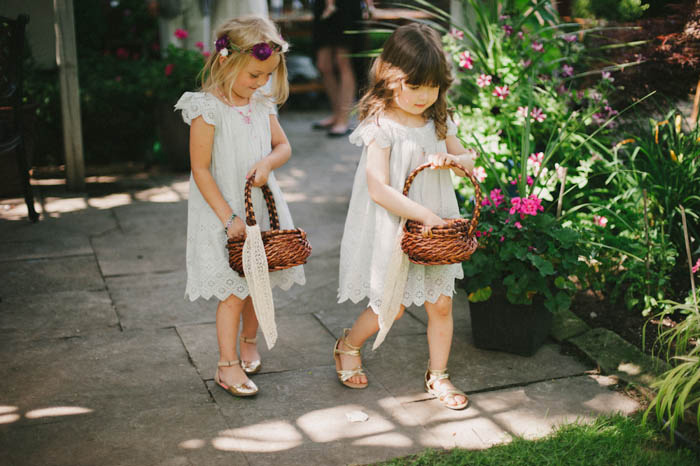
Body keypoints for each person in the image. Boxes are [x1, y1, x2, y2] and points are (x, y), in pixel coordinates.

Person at [334, 23, 478, 410]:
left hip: (435, 233)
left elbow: (469, 162)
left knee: (442, 304)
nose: (423, 96)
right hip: (397, 226)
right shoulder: (381, 127)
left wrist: (455, 160)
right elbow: (378, 188)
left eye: (432, 87)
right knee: (391, 306)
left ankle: (439, 375)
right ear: (390, 78)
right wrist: (424, 215)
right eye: (415, 86)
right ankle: (348, 344)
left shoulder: (438, 121)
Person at [175, 16, 305, 398]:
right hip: (225, 210)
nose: (261, 82)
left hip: (259, 208)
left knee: (256, 281)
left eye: (267, 75)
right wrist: (227, 217)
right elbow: (200, 169)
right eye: (254, 75)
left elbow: (283, 146)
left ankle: (250, 340)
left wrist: (267, 163)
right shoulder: (206, 109)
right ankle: (226, 364)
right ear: (224, 62)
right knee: (234, 288)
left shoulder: (261, 103)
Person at [311, 0, 375, 137]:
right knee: (323, 64)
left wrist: (369, 5)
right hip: (322, 6)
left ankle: (343, 119)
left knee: (343, 61)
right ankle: (336, 114)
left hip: (346, 7)